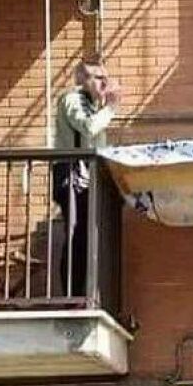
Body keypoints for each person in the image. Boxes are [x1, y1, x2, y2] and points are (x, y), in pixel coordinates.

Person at [54, 57, 120, 297]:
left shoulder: (93, 105)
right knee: (74, 234)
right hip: (71, 174)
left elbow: (97, 144)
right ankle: (71, 295)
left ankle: (82, 293)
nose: (105, 82)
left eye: (106, 77)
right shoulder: (72, 99)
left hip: (85, 177)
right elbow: (88, 128)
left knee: (84, 236)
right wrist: (111, 108)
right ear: (82, 80)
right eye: (98, 77)